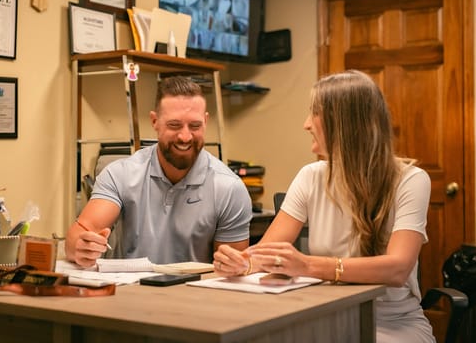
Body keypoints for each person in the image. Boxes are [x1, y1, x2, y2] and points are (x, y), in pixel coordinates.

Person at [213, 70, 436, 342]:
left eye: (315, 113)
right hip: (323, 315)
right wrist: (242, 264)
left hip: (392, 322)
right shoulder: (311, 176)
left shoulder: (411, 181)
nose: (306, 124)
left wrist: (307, 265)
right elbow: (266, 254)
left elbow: (398, 269)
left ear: (343, 122)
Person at [66, 76, 252, 268]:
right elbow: (77, 237)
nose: (185, 136)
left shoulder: (230, 188)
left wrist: (236, 266)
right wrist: (81, 247)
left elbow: (231, 276)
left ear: (205, 122)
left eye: (195, 126)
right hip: (128, 293)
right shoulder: (119, 174)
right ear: (155, 121)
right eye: (174, 125)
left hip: (193, 295)